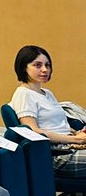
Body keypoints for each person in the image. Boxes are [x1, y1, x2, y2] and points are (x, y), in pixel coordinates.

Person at [9, 45, 86, 175]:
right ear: (23, 67)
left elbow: (57, 125)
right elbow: (34, 132)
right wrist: (76, 140)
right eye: (37, 65)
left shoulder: (47, 93)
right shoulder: (24, 94)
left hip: (70, 146)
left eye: (47, 65)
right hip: (56, 154)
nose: (45, 70)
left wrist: (78, 133)